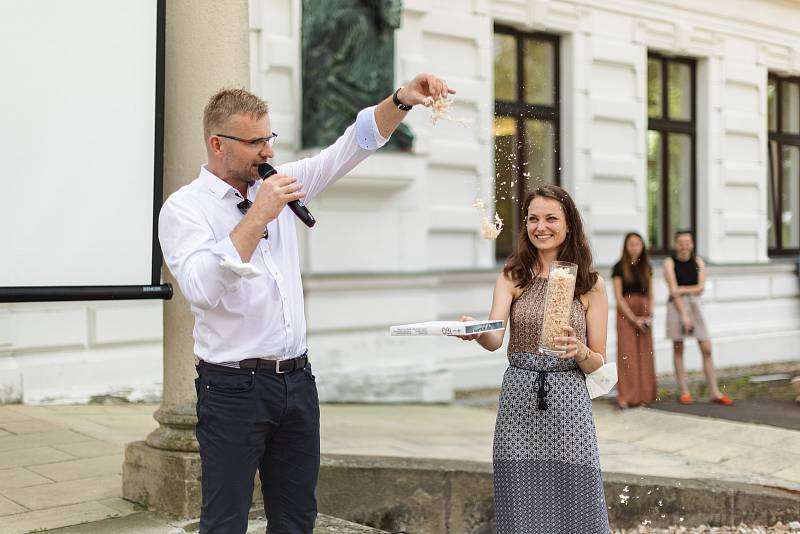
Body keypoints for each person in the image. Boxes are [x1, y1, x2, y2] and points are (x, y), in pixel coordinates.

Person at [158, 74, 453, 533]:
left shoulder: (279, 183)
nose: (268, 152)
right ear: (218, 144)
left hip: (296, 382)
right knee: (225, 521)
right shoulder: (184, 209)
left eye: (269, 138)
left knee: (297, 518)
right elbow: (200, 287)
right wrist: (259, 215)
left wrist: (401, 100)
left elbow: (350, 147)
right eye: (255, 142)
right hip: (232, 389)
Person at [457, 185, 610, 533]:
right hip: (519, 398)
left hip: (569, 398)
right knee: (519, 499)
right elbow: (496, 338)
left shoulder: (590, 284)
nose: (541, 227)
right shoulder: (513, 275)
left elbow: (599, 364)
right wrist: (476, 331)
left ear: (569, 224)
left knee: (577, 499)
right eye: (533, 219)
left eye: (551, 218)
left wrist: (580, 351)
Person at [663, 229, 733, 405]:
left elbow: (700, 287)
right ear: (676, 244)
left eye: (688, 242)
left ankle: (714, 391)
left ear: (692, 244)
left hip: (696, 305)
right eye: (681, 243)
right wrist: (684, 315)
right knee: (678, 347)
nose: (685, 246)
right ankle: (684, 391)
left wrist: (684, 289)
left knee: (707, 347)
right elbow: (673, 290)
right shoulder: (669, 262)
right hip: (676, 306)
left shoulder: (698, 262)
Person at [611, 232, 657, 409]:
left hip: (644, 312)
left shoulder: (647, 267)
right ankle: (626, 396)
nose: (635, 247)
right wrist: (633, 319)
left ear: (642, 246)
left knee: (645, 354)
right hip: (626, 313)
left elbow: (651, 294)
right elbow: (618, 296)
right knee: (627, 354)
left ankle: (644, 395)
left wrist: (649, 315)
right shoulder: (619, 267)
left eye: (638, 244)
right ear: (626, 246)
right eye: (631, 244)